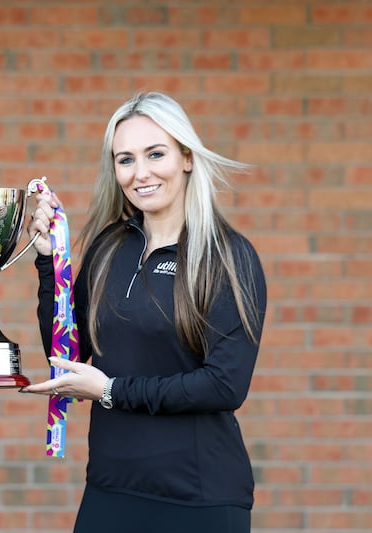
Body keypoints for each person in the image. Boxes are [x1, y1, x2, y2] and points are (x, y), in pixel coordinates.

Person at [22, 92, 267, 533]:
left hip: (200, 498)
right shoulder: (110, 246)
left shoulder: (227, 256)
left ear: (187, 158)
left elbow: (225, 385)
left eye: (156, 154)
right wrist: (48, 263)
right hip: (110, 490)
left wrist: (114, 390)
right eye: (126, 160)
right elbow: (69, 352)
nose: (141, 173)